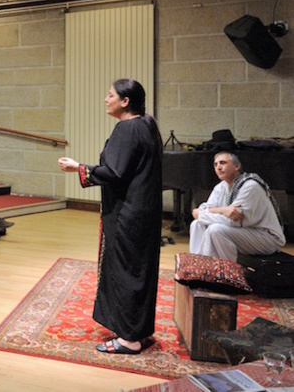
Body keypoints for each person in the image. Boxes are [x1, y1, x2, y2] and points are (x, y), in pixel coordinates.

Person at [58, 78, 163, 355]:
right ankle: (138, 329)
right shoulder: (148, 125)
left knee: (125, 271)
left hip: (128, 214)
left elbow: (114, 173)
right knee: (140, 270)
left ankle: (129, 339)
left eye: (110, 95)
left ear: (125, 101)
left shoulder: (127, 129)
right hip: (145, 211)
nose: (106, 100)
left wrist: (78, 168)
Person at [189, 152, 285, 262]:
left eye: (223, 163)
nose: (218, 167)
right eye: (215, 164)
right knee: (197, 224)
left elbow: (234, 221)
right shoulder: (221, 187)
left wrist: (205, 214)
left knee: (216, 230)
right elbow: (204, 209)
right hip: (243, 232)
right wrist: (222, 210)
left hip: (266, 237)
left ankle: (228, 274)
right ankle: (199, 265)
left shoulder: (250, 186)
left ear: (236, 166)